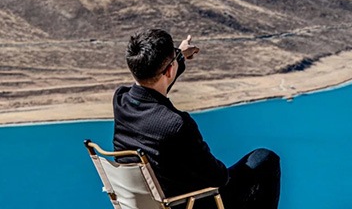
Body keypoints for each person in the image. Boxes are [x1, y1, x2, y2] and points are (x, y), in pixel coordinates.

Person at [113, 28, 281, 209]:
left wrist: (179, 55)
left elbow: (151, 91)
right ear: (169, 71)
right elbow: (218, 177)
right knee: (265, 159)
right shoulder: (176, 125)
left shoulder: (121, 100)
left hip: (151, 203)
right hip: (189, 203)